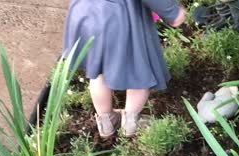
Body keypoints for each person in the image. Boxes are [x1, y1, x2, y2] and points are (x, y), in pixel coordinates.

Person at [62, 0, 186, 138]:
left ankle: (107, 122)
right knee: (138, 71)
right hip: (119, 18)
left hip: (85, 13)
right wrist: (172, 12)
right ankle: (131, 124)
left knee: (98, 72)